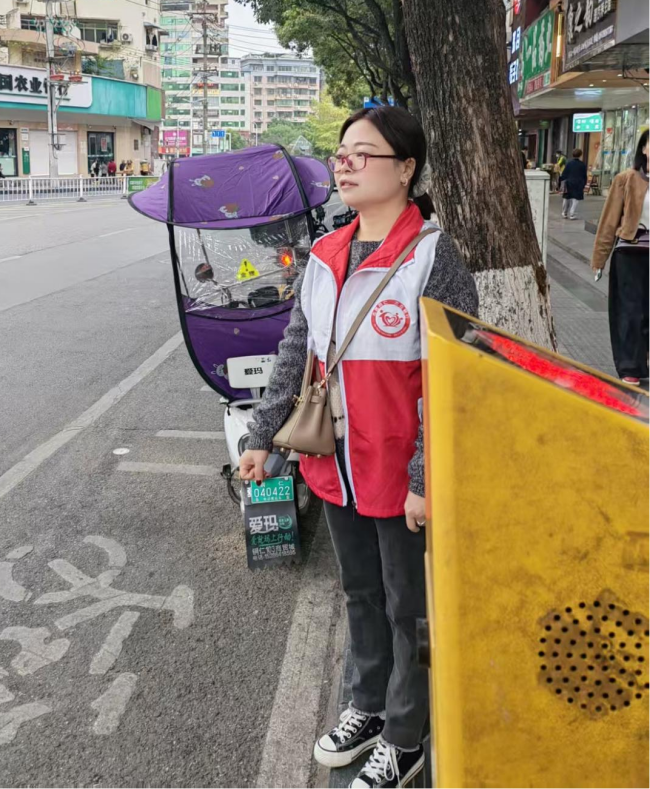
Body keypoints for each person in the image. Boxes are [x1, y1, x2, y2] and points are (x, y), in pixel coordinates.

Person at [239, 105, 478, 788]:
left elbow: (458, 373)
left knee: (409, 608)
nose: (345, 165)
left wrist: (426, 475)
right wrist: (262, 438)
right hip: (335, 463)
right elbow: (297, 354)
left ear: (406, 170)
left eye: (362, 154)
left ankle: (406, 735)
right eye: (341, 154)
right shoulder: (324, 255)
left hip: (399, 473)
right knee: (361, 593)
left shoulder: (432, 255)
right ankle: (367, 705)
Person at [592, 131, 650, 386]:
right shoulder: (625, 179)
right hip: (630, 252)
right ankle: (630, 366)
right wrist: (599, 259)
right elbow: (608, 221)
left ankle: (646, 358)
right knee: (630, 310)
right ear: (644, 149)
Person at [559, 148, 587, 220]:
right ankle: (572, 214)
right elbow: (584, 175)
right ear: (580, 155)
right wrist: (584, 183)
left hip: (569, 183)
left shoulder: (569, 163)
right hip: (578, 183)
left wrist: (561, 182)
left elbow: (564, 174)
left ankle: (564, 213)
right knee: (576, 199)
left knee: (566, 198)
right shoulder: (582, 165)